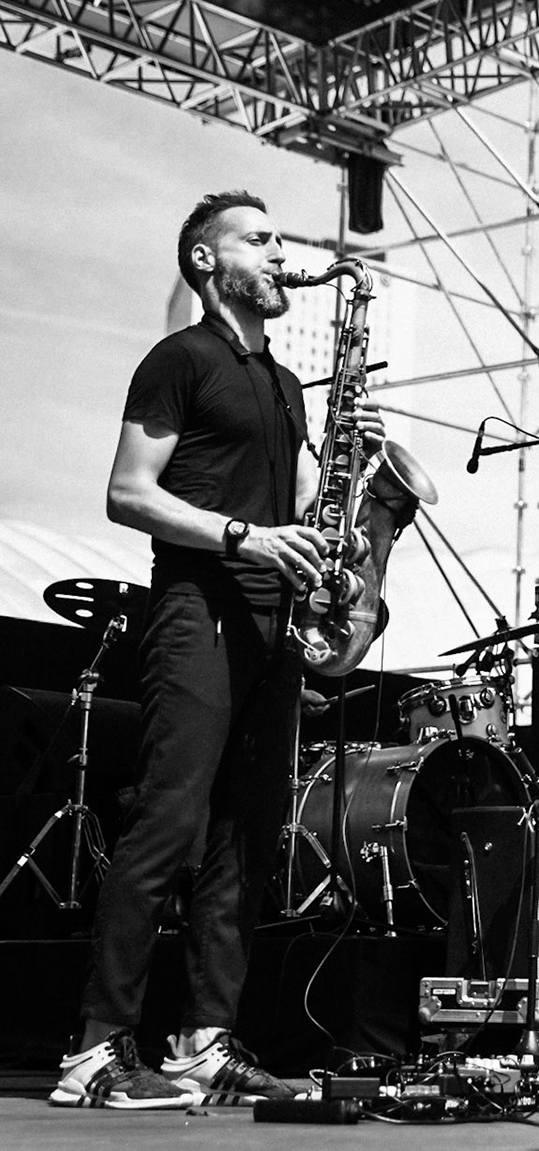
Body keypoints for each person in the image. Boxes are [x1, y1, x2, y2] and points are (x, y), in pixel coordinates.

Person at [52, 191, 380, 1109]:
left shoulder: (286, 386)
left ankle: (203, 1040)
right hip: (199, 610)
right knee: (167, 824)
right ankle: (95, 1049)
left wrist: (350, 496)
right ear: (206, 261)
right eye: (259, 239)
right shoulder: (181, 359)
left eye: (280, 238)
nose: (280, 252)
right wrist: (244, 537)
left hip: (279, 623)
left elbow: (309, 502)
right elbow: (128, 492)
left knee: (247, 838)